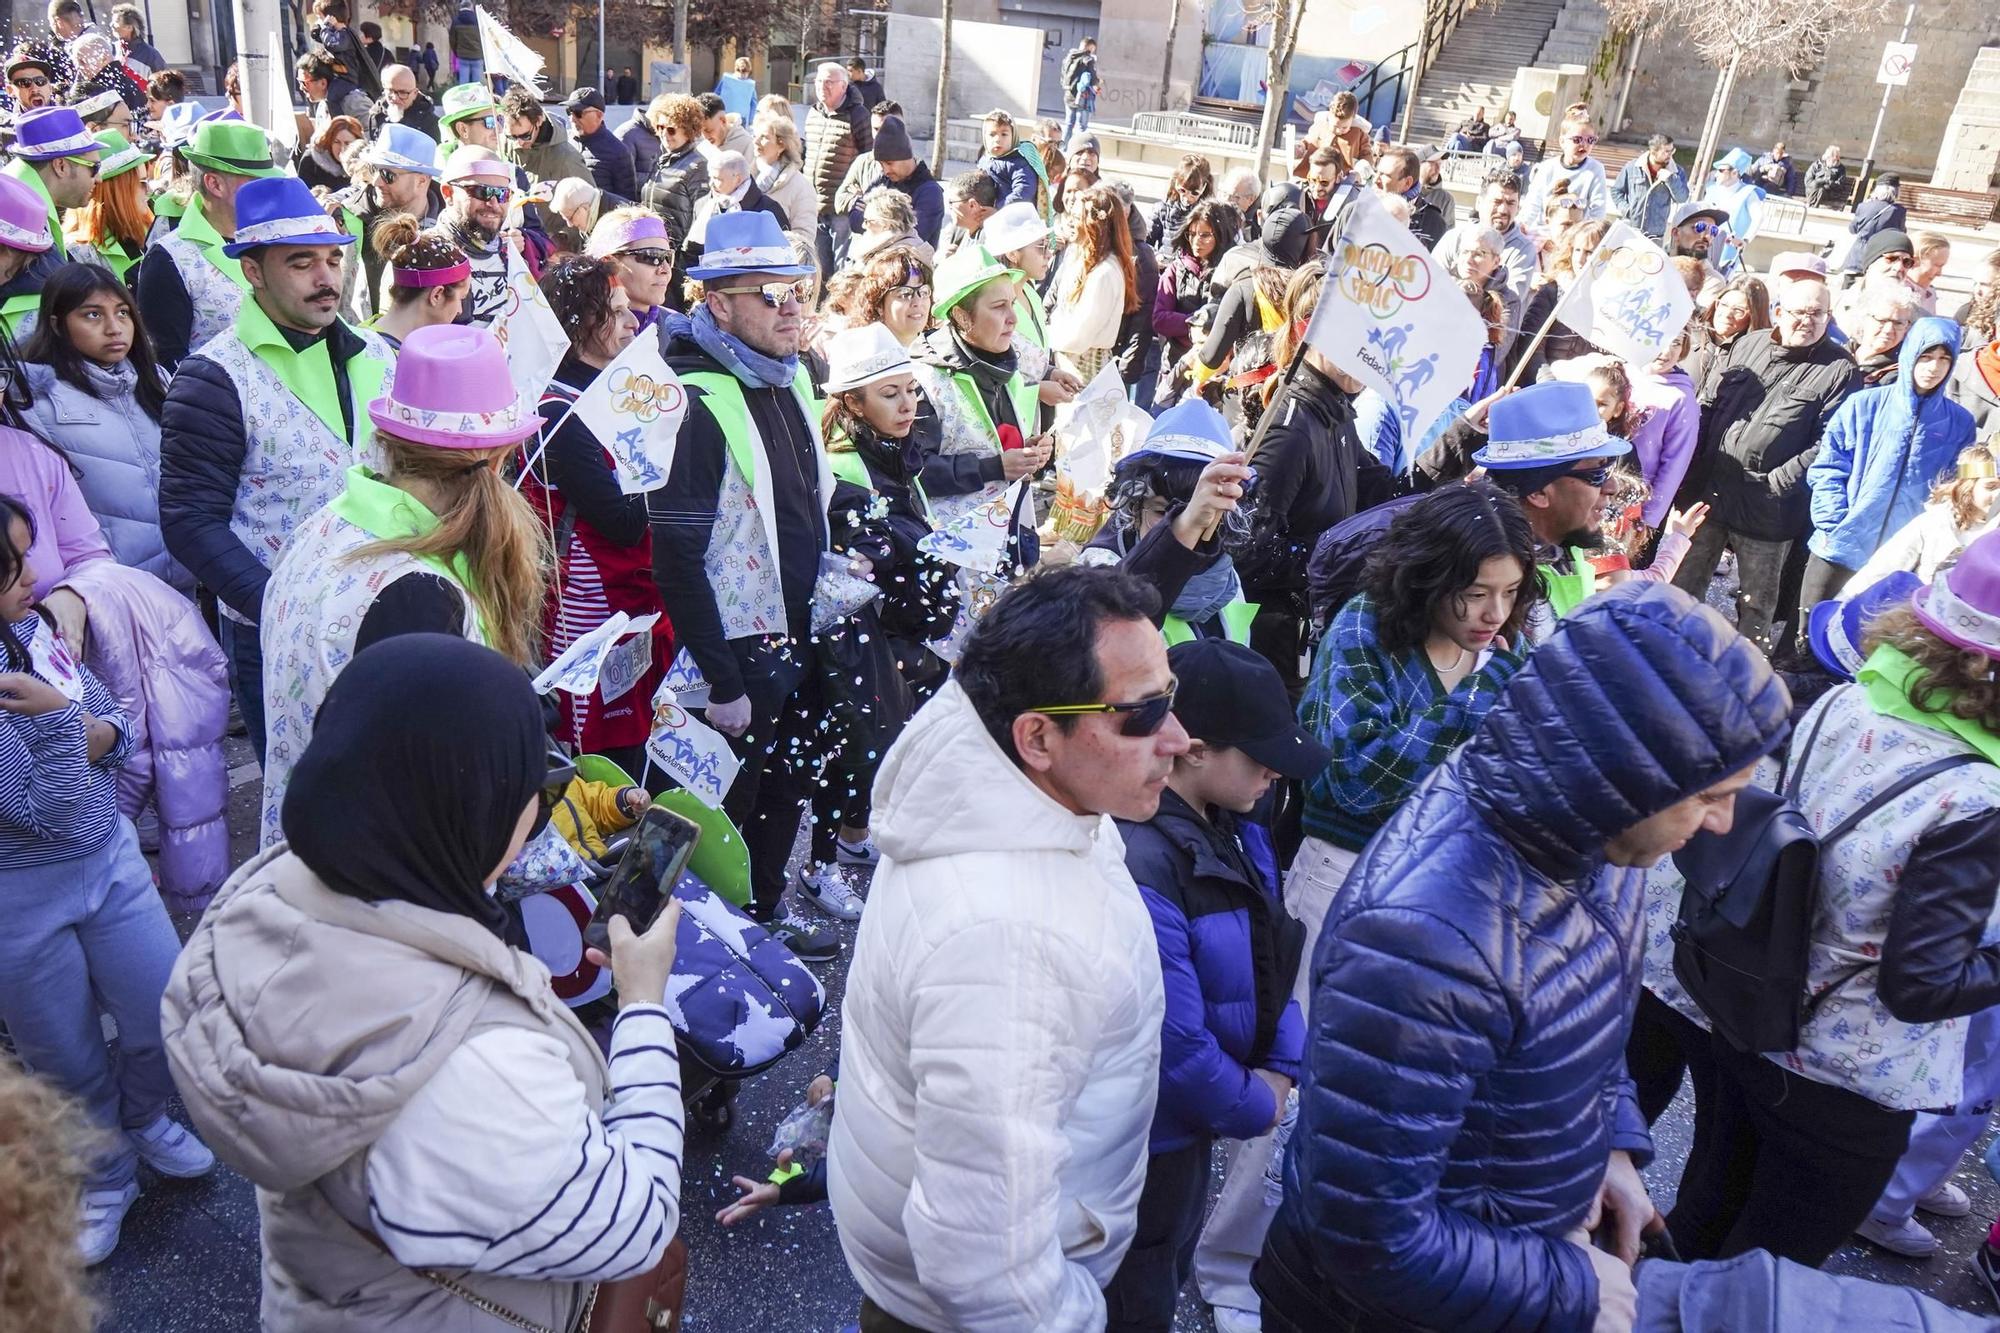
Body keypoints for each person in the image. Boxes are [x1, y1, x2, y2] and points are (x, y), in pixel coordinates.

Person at [1258, 581, 1788, 1331]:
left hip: (1501, 1264)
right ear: (1626, 773)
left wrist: (1611, 1146)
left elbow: (1583, 1010)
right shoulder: (1425, 940)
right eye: (1709, 796)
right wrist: (1571, 1289)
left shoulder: (1599, 836)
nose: (1724, 821)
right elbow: (1365, 1237)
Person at [162, 634, 687, 1328]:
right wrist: (643, 1001)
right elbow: (636, 1222)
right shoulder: (475, 1065)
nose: (534, 814)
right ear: (466, 812)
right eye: (532, 789)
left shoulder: (266, 896)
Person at [829, 562, 1182, 1330]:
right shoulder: (1005, 942)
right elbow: (982, 1260)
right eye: (1144, 713)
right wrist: (1074, 1315)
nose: (1179, 740)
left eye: (1171, 695)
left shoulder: (1002, 793)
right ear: (1037, 736)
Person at [1667, 536, 2000, 1266]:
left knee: (1704, 1212)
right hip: (1843, 1077)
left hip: (1747, 1007)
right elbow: (1919, 984)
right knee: (1771, 1266)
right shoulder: (1978, 795)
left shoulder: (1852, 698)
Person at [0, 492, 215, 1267]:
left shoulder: (34, 632)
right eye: (12, 566)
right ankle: (104, 1173)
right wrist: (71, 727)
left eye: (30, 554)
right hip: (21, 899)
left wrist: (84, 726)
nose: (36, 576)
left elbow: (114, 725)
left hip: (112, 862)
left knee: (165, 1008)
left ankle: (147, 1116)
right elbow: (42, 810)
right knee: (62, 1054)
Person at [1102, 636, 1324, 1333]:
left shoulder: (1242, 822)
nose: (1274, 775)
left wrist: (1282, 1060)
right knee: (1134, 1289)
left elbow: (1274, 949)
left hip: (1194, 1128)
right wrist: (1257, 1100)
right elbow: (1173, 1038)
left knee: (1164, 1265)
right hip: (1150, 1138)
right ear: (1192, 748)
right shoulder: (1144, 859)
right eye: (1261, 756)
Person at [256, 324, 545, 838]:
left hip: (303, 866)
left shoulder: (328, 524)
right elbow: (448, 796)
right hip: (378, 893)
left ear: (390, 441)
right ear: (500, 459)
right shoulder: (418, 594)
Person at [646, 210, 841, 962]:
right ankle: (693, 948)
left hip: (797, 634)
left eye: (795, 288)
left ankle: (761, 915)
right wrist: (724, 679)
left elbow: (803, 499)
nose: (790, 306)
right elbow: (675, 552)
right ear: (718, 304)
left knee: (784, 788)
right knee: (714, 810)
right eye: (768, 292)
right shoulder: (694, 399)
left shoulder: (789, 376)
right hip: (728, 659)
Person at [158, 176, 394, 762]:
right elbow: (189, 519)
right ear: (253, 271)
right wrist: (278, 607)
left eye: (333, 259)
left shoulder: (378, 355)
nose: (325, 278)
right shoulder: (213, 377)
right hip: (274, 632)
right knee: (303, 805)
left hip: (380, 612)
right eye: (301, 262)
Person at [521, 255, 668, 776]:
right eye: (617, 311)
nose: (634, 322)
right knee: (598, 760)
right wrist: (667, 461)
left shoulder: (609, 390)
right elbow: (624, 524)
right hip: (587, 611)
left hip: (632, 602)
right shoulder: (559, 412)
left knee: (637, 739)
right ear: (581, 323)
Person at [1674, 273, 1857, 649]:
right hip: (1712, 491)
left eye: (1817, 313)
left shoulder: (1840, 369)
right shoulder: (1748, 345)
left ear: (1829, 317)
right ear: (1777, 312)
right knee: (1684, 584)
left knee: (1757, 604)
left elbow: (1829, 442)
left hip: (1768, 509)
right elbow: (1709, 405)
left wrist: (1777, 484)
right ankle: (1669, 645)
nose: (1805, 321)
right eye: (1797, 312)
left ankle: (1748, 669)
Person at [1235, 261, 1394, 684]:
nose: (1370, 354)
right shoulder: (1291, 429)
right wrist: (1336, 556)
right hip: (1274, 649)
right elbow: (1247, 552)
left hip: (1313, 632)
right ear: (1313, 332)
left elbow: (1384, 493)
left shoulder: (1335, 410)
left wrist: (1461, 440)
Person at [18, 265, 181, 590]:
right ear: (58, 325)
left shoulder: (156, 381)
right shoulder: (37, 403)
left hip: (183, 580)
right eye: (92, 315)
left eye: (122, 313)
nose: (114, 328)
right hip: (108, 590)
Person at [1803, 316, 1976, 612]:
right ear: (1910, 355)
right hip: (1839, 546)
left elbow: (1954, 489)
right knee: (1805, 638)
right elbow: (1829, 465)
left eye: (1944, 359)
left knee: (1863, 644)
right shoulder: (1864, 405)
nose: (1933, 368)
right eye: (1926, 357)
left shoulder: (1959, 423)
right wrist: (1835, 521)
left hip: (1898, 559)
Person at [912, 243, 1054, 524]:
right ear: (962, 316)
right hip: (956, 546)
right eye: (999, 307)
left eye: (1012, 303)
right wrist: (994, 467)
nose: (1013, 319)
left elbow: (987, 440)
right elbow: (916, 471)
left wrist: (1028, 450)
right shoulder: (924, 379)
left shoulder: (1003, 365)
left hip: (1007, 528)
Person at [137, 119, 286, 369]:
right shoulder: (169, 258)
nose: (268, 191)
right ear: (215, 184)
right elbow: (166, 362)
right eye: (256, 181)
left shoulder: (277, 239)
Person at [326, 122, 444, 325]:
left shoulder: (446, 225)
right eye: (375, 170)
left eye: (389, 175)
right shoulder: (346, 219)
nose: (377, 181)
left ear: (422, 181)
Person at [1849, 443, 2000, 589]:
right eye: (1991, 487)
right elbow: (1879, 572)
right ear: (1968, 486)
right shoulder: (1934, 524)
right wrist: (1842, 606)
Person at [1152, 200, 1236, 409]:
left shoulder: (1231, 272)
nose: (1196, 241)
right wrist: (1195, 324)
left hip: (1213, 369)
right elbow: (1159, 319)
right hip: (1174, 363)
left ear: (1220, 235)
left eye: (1205, 235)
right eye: (1191, 234)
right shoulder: (1176, 269)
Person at [439, 146, 535, 328]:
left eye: (502, 194)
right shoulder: (423, 256)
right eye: (481, 191)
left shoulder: (509, 252)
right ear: (448, 193)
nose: (493, 204)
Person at [1050, 185, 1139, 382]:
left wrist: (1046, 334)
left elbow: (1079, 335)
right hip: (1065, 361)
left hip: (1084, 369)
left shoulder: (1105, 273)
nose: (1070, 223)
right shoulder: (1077, 256)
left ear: (1093, 224)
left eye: (1076, 218)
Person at [4, 106, 104, 261]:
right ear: (61, 166)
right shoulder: (17, 215)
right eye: (94, 167)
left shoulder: (17, 195)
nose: (99, 179)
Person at [805, 61, 872, 281]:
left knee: (841, 270)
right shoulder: (814, 113)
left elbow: (868, 156)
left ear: (843, 86)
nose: (822, 86)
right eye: (819, 81)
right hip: (814, 204)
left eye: (829, 82)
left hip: (841, 207)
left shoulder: (858, 115)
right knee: (819, 267)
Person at [640, 94, 709, 302]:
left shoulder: (697, 166)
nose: (664, 135)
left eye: (671, 129)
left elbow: (702, 220)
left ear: (688, 130)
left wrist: (682, 258)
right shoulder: (663, 161)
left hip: (679, 264)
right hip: (656, 254)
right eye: (659, 128)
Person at [60, 129, 150, 284]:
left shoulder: (147, 231)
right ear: (115, 191)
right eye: (141, 183)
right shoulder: (75, 255)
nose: (149, 189)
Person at [367, 216, 469, 348]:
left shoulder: (359, 337)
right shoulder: (401, 361)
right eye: (461, 298)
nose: (460, 311)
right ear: (436, 295)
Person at [844, 114, 943, 250]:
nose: (885, 171)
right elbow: (855, 220)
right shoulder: (882, 181)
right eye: (881, 164)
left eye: (889, 163)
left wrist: (873, 219)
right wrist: (891, 224)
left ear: (906, 157)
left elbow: (913, 236)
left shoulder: (930, 192)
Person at [586, 206, 674, 329]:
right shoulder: (582, 334)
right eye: (652, 256)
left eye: (667, 257)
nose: (665, 270)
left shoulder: (678, 329)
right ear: (608, 262)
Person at [833, 243, 933, 348]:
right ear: (878, 304)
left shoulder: (937, 353)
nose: (917, 302)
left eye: (923, 292)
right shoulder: (858, 350)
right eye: (904, 294)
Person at [1523, 111, 1609, 226]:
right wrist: (1523, 225)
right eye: (1577, 140)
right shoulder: (1547, 167)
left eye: (1590, 140)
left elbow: (1598, 210)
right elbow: (1533, 203)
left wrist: (1590, 234)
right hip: (1545, 229)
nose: (1584, 145)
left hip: (1577, 232)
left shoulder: (1595, 170)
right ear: (1562, 141)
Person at [750, 111, 819, 254]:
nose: (756, 141)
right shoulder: (746, 179)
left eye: (764, 137)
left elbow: (804, 237)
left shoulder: (800, 186)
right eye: (755, 136)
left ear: (781, 145)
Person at [500, 85, 587, 185]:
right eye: (512, 137)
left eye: (525, 136)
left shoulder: (568, 158)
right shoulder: (502, 143)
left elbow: (589, 196)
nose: (519, 142)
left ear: (539, 120)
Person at [1611, 133, 1689, 241]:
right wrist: (1627, 210)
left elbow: (1682, 198)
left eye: (1672, 151)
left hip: (1656, 237)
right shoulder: (1632, 167)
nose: (1670, 155)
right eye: (1666, 151)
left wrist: (1670, 179)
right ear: (1653, 151)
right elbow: (1616, 191)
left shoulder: (1677, 172)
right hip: (1630, 231)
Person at [564, 86, 635, 201]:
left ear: (599, 115)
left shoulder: (618, 152)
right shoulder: (565, 141)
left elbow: (627, 202)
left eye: (578, 113)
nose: (572, 119)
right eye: (569, 111)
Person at [1375, 146, 1446, 248]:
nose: (1375, 180)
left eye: (1384, 175)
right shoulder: (1361, 207)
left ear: (1407, 183)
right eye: (1376, 172)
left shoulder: (1433, 223)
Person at [935, 169, 999, 265]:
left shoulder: (992, 243)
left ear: (972, 205)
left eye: (952, 202)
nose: (950, 207)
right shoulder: (958, 230)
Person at [366, 61, 439, 143]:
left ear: (415, 93)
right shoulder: (376, 114)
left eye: (403, 93)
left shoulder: (431, 124)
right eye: (390, 91)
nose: (395, 98)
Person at [295, 52, 369, 128]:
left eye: (304, 83)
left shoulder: (354, 102)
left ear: (323, 83)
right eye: (299, 82)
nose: (301, 88)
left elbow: (373, 134)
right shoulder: (322, 106)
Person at [296, 113, 361, 193]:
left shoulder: (364, 163)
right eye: (337, 142)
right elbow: (302, 195)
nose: (342, 148)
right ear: (329, 141)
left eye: (347, 143)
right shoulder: (311, 161)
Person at [438, 81, 503, 153]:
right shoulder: (442, 163)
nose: (500, 130)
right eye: (490, 121)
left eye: (500, 119)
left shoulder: (505, 161)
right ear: (463, 129)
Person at [1061, 34, 1099, 142]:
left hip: (1068, 95)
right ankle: (1080, 147)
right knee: (1081, 127)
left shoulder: (1070, 57)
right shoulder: (1088, 59)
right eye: (1093, 49)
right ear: (1089, 48)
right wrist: (1098, 81)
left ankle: (1063, 148)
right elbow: (1092, 79)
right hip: (1082, 97)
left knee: (1068, 124)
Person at [696, 91, 754, 160]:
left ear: (723, 120)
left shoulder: (747, 144)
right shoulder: (701, 146)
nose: (705, 137)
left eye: (708, 130)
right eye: (700, 132)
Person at [110, 4, 163, 72]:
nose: (111, 25)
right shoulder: (112, 49)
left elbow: (164, 81)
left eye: (116, 21)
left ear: (129, 27)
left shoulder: (150, 56)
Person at [448, 1, 484, 88]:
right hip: (477, 56)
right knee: (477, 84)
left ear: (461, 7)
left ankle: (464, 100)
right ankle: (476, 100)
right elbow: (483, 37)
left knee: (463, 83)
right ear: (471, 7)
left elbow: (452, 39)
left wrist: (457, 52)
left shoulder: (456, 20)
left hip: (463, 56)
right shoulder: (478, 20)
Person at [1803, 143, 1849, 207]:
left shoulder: (1841, 168)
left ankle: (1811, 207)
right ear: (1828, 156)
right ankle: (1812, 206)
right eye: (1834, 156)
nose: (1837, 158)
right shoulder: (1817, 165)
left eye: (1838, 156)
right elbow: (1808, 181)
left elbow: (1840, 185)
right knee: (1817, 186)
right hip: (1812, 190)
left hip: (1828, 192)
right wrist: (1822, 181)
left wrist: (1830, 182)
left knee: (1821, 190)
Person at [716, 55, 757, 125]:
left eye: (745, 72)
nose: (743, 75)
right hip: (731, 116)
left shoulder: (726, 79)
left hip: (732, 116)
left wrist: (751, 119)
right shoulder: (727, 80)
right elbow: (716, 95)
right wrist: (750, 119)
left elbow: (716, 95)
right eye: (741, 72)